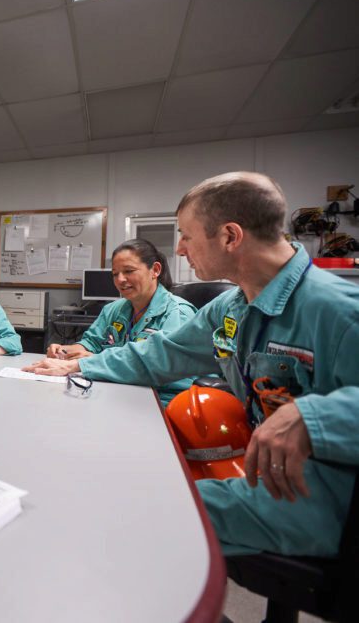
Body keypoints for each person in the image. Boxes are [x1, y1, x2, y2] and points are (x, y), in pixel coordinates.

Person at [25, 172, 359, 557]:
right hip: (268, 473)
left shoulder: (337, 310)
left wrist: (315, 416)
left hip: (326, 496)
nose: (180, 250)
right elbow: (162, 353)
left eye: (186, 235)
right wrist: (78, 367)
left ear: (230, 236)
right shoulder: (232, 307)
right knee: (122, 488)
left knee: (134, 509)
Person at [46, 238, 196, 403]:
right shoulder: (113, 310)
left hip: (164, 402)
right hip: (118, 392)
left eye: (129, 271)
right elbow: (91, 343)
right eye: (115, 274)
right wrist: (64, 351)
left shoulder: (178, 313)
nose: (120, 280)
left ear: (155, 270)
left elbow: (158, 367)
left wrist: (94, 361)